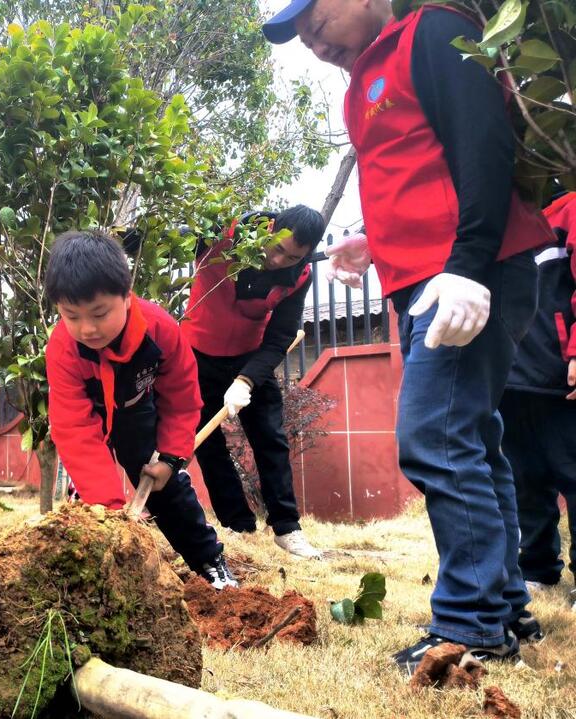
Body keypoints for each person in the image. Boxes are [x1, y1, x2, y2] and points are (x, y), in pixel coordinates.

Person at [263, 0, 553, 671]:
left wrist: (468, 265)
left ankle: (472, 624)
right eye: (298, 35)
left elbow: (483, 142)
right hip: (426, 278)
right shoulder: (367, 81)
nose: (310, 40)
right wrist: (376, 241)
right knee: (474, 437)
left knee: (434, 435)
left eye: (316, 20)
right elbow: (419, 172)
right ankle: (503, 603)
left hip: (465, 276)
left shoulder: (433, 32)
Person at [44, 229, 238, 589]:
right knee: (91, 503)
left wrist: (171, 457)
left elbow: (181, 397)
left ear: (126, 297)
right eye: (72, 316)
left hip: (135, 410)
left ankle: (209, 561)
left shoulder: (159, 328)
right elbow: (73, 427)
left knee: (166, 486)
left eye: (100, 314)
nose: (87, 328)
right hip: (91, 416)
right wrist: (110, 510)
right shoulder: (63, 349)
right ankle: (102, 573)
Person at [182, 206, 325, 558]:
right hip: (196, 353)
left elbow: (280, 336)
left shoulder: (300, 275)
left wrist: (246, 380)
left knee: (270, 438)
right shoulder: (221, 234)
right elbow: (169, 238)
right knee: (209, 445)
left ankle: (287, 527)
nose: (278, 260)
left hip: (250, 357)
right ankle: (238, 525)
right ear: (270, 227)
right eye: (276, 247)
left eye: (292, 256)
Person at [499, 191, 576, 598]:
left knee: (573, 474)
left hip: (558, 375)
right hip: (508, 376)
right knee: (524, 479)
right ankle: (540, 568)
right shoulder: (500, 216)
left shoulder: (570, 209)